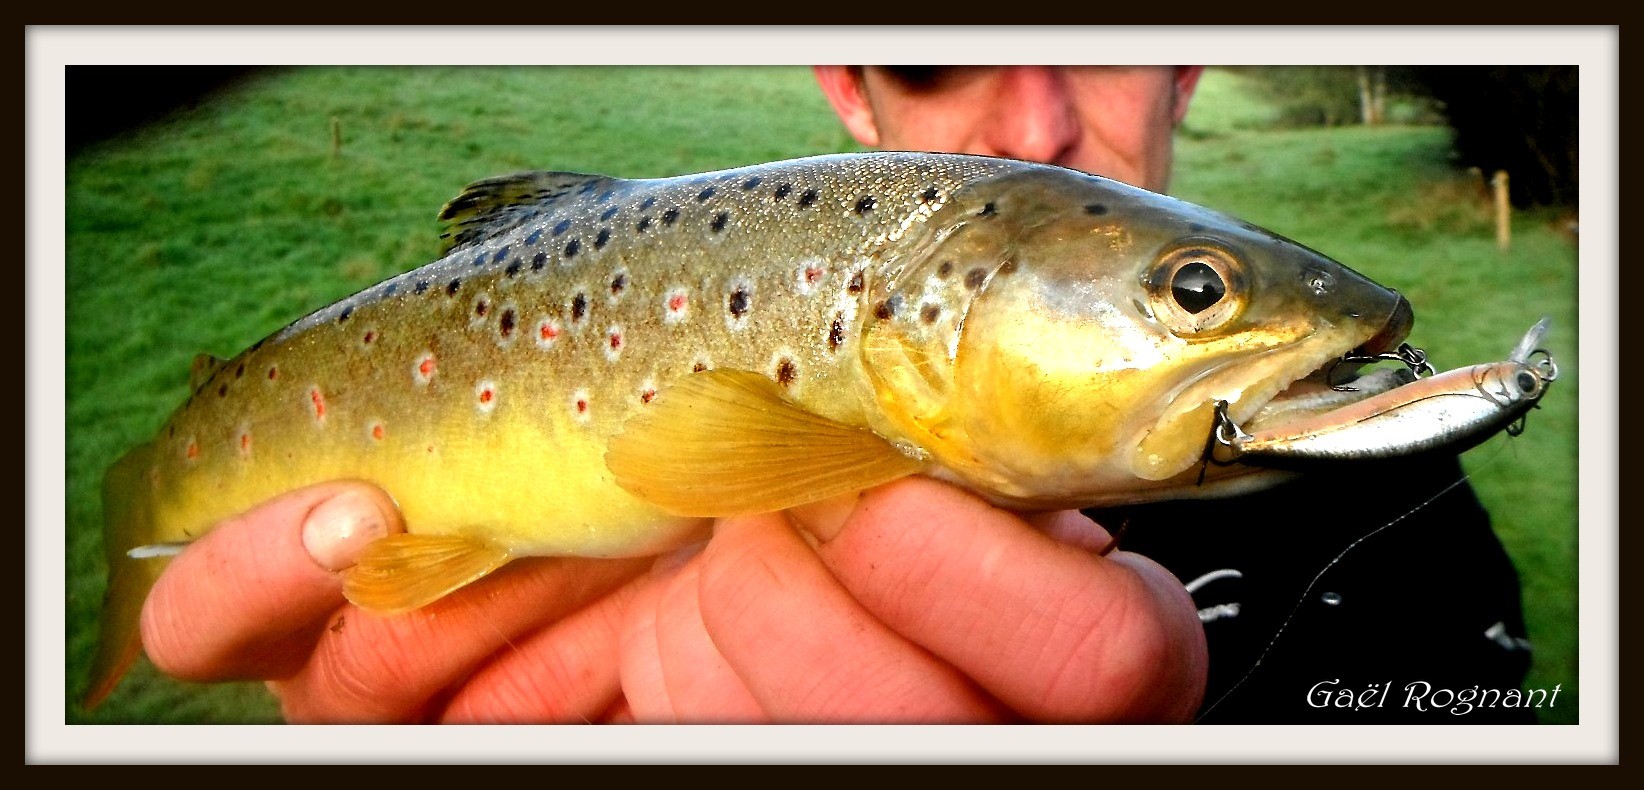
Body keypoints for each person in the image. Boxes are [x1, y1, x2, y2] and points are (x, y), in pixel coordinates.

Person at [130, 66, 1534, 724]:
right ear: (848, 92)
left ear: (1188, 56)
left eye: (1098, 26)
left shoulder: (1399, 510)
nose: (1031, 119)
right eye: (1196, 295)